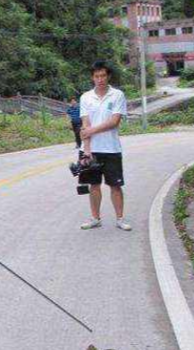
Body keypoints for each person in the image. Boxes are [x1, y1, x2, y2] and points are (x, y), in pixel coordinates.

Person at [79, 60, 132, 231]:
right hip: (91, 150)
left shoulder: (117, 95)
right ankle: (95, 218)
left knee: (115, 185)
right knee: (93, 185)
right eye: (96, 76)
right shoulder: (85, 97)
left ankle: (120, 219)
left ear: (108, 76)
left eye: (103, 75)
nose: (100, 79)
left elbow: (114, 122)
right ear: (92, 78)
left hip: (111, 148)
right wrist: (87, 151)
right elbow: (84, 124)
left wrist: (91, 130)